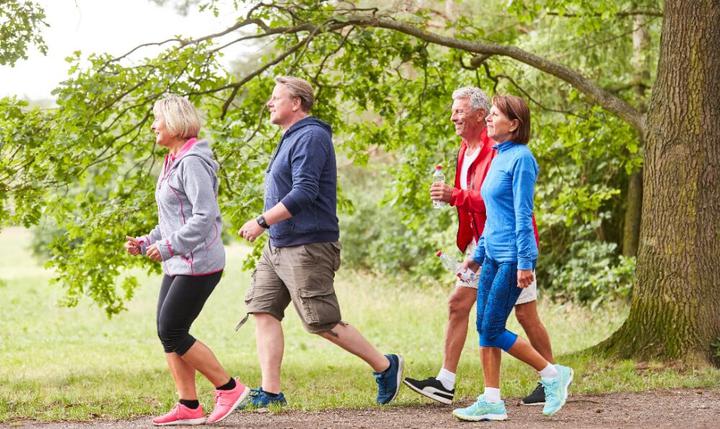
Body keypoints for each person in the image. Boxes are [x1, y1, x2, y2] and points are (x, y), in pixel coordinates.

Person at [236, 76, 403, 408]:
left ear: (296, 102)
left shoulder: (311, 136)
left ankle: (385, 366)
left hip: (308, 245)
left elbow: (304, 191)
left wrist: (261, 221)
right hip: (279, 244)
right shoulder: (290, 137)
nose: (269, 103)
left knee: (321, 322)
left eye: (275, 97)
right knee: (263, 309)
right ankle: (271, 392)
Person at [403, 87, 554, 406]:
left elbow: (498, 203)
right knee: (459, 304)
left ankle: (550, 378)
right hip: (481, 244)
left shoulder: (498, 150)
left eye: (459, 111)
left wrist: (454, 195)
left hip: (507, 244)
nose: (453, 116)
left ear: (479, 114)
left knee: (524, 315)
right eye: (453, 111)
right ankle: (448, 382)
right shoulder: (464, 150)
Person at [124, 95, 248, 426]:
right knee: (168, 332)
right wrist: (149, 240)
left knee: (173, 329)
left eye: (157, 120)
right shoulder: (173, 159)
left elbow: (205, 216)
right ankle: (189, 404)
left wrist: (167, 246)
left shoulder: (193, 161)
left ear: (175, 123)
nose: (153, 125)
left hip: (199, 262)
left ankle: (229, 388)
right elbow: (174, 216)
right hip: (180, 260)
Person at [452, 95, 573, 421]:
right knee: (484, 327)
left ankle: (552, 374)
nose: (488, 120)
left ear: (514, 124)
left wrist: (525, 262)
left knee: (491, 328)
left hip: (511, 259)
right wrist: (476, 257)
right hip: (492, 256)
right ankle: (491, 399)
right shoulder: (498, 156)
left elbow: (523, 214)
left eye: (494, 115)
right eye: (489, 114)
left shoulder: (521, 159)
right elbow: (494, 217)